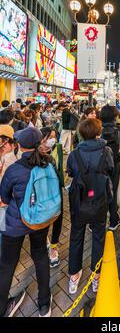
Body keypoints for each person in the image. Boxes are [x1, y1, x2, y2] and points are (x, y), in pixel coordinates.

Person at [0, 127, 53, 317]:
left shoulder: (14, 169)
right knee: (40, 256)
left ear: (20, 146)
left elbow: (4, 198)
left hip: (14, 222)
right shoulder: (48, 164)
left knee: (6, 265)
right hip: (40, 219)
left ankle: (3, 307)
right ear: (39, 144)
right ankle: (44, 304)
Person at [67, 118, 114, 294]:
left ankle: (73, 276)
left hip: (79, 200)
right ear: (98, 132)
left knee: (76, 236)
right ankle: (96, 276)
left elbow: (70, 172)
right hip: (99, 200)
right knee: (98, 237)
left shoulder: (74, 153)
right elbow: (111, 170)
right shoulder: (106, 150)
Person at [40, 127, 64, 268]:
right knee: (43, 220)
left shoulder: (58, 148)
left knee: (58, 218)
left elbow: (60, 169)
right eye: (50, 137)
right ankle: (45, 240)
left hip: (56, 191)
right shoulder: (34, 153)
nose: (52, 140)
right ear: (41, 139)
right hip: (42, 193)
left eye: (54, 136)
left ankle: (53, 247)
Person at [99, 105, 120, 231]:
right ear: (115, 116)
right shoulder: (119, 128)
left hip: (100, 164)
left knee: (100, 191)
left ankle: (98, 222)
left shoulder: (98, 127)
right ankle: (113, 220)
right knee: (113, 191)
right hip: (114, 163)